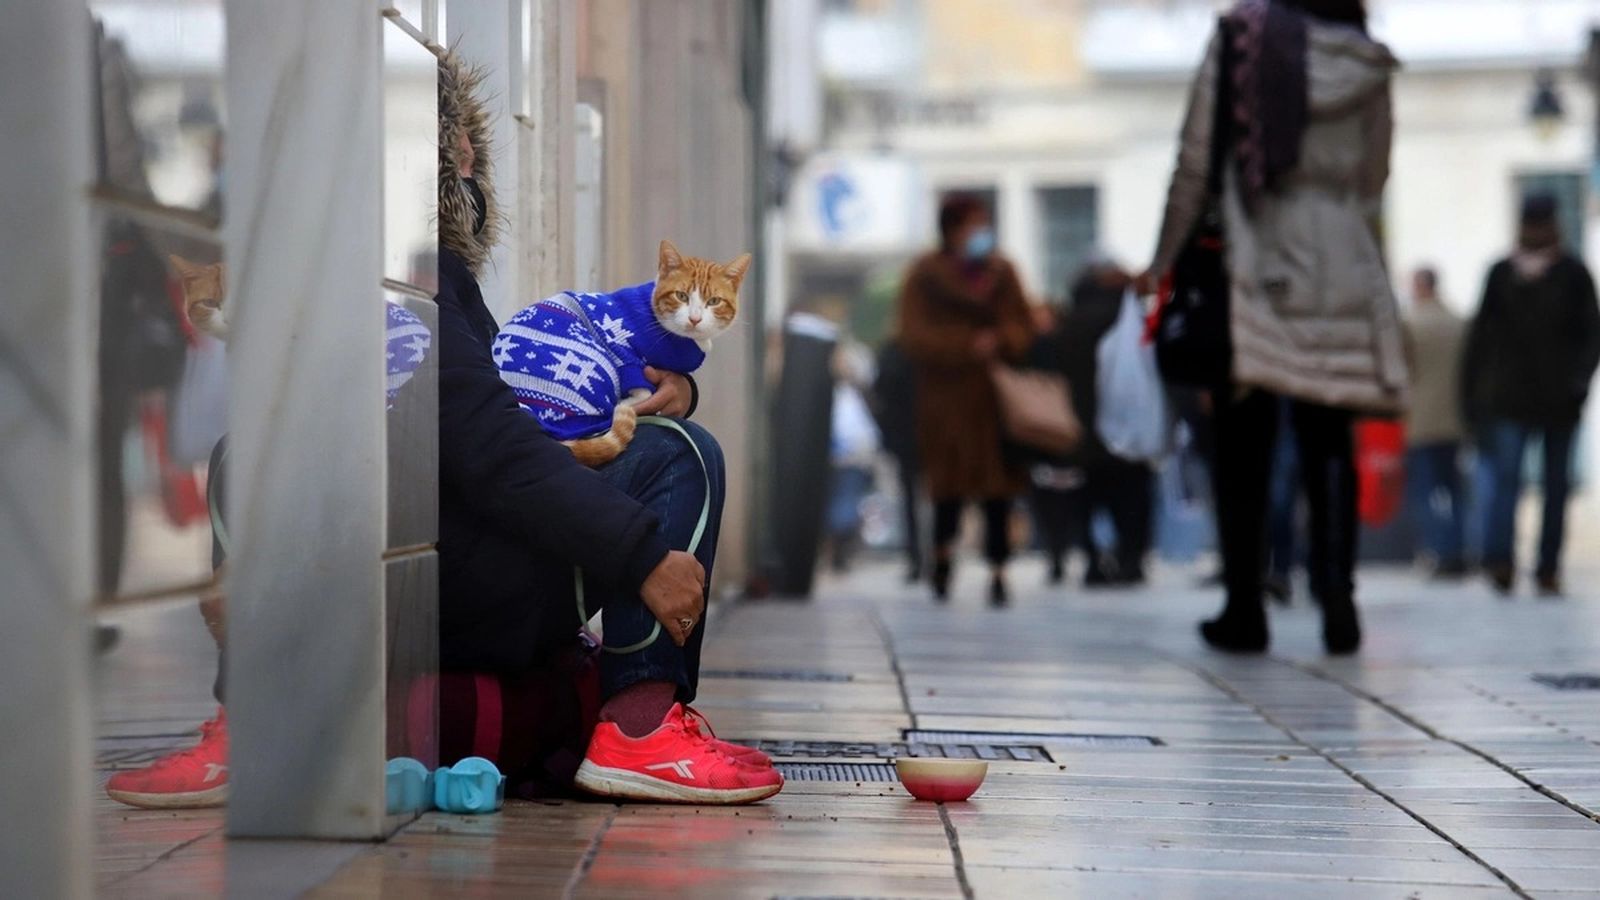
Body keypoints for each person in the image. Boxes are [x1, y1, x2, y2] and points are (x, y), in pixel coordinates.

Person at [1146, 0, 1406, 654]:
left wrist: (1164, 258)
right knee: (1329, 437)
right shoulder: (1363, 55)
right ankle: (1338, 600)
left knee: (1243, 441)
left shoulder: (1240, 39)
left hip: (1254, 246)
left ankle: (1245, 605)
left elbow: (1197, 161)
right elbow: (1376, 172)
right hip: (1341, 252)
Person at [895, 195, 1036, 605]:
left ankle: (998, 568)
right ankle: (941, 559)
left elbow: (1023, 325)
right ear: (952, 229)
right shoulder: (924, 275)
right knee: (947, 488)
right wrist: (966, 345)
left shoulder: (1002, 271)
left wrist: (1002, 340)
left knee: (998, 490)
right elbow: (913, 335)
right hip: (946, 402)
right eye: (973, 224)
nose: (980, 233)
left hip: (996, 402)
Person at [1462, 196, 1600, 597]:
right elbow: (1480, 340)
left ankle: (1547, 566)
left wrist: (1579, 381)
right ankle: (1501, 560)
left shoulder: (1573, 274)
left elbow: (1592, 334)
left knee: (1556, 486)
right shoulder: (1502, 274)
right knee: (1507, 482)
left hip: (1560, 400)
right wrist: (1472, 398)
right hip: (1508, 399)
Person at [1032, 253, 1154, 587]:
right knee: (1130, 498)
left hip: (1082, 429)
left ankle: (1092, 560)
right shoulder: (1127, 318)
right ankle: (1130, 560)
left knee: (1085, 499)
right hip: (1127, 427)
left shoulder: (1070, 322)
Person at [1402, 266, 1470, 579]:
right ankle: (1457, 550)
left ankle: (1439, 551)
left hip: (1420, 419)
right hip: (1455, 419)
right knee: (1454, 490)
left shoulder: (1410, 324)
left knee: (1425, 492)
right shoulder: (1459, 323)